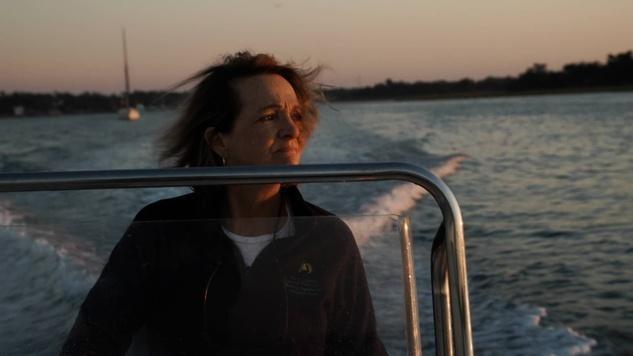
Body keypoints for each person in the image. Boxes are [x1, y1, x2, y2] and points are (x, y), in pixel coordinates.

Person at [61, 52, 386, 355]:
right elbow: (90, 344)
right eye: (269, 116)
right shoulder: (159, 232)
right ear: (219, 141)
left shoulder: (327, 239)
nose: (291, 130)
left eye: (296, 115)